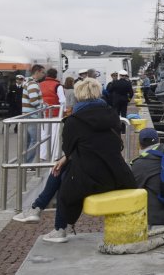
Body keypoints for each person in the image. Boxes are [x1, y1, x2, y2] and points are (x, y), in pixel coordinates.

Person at [46, 77, 136, 243]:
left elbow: (68, 150)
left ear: (78, 95)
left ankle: (56, 226)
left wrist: (65, 157)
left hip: (89, 179)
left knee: (62, 177)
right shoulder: (112, 116)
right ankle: (40, 211)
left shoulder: (73, 121)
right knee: (64, 170)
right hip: (117, 176)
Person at [39, 68, 66, 161]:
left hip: (43, 113)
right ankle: (55, 155)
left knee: (44, 134)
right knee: (55, 134)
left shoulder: (40, 84)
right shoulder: (58, 86)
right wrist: (63, 111)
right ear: (55, 75)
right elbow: (62, 101)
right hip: (55, 114)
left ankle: (42, 155)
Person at [21, 64, 46, 162]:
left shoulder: (28, 82)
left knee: (28, 141)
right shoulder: (33, 84)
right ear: (37, 72)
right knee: (35, 140)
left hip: (28, 115)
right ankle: (28, 163)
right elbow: (34, 101)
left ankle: (24, 163)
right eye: (43, 72)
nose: (44, 75)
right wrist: (44, 106)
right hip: (33, 115)